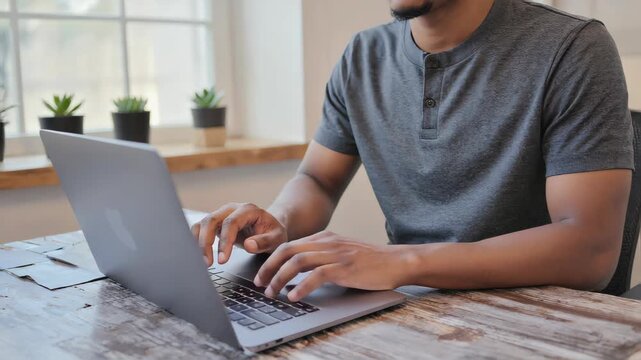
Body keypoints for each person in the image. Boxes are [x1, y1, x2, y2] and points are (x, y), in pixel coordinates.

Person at [192, 0, 633, 302]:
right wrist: (280, 221)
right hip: (407, 304)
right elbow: (318, 180)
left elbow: (589, 250)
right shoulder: (362, 55)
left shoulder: (573, 48)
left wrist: (401, 260)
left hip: (538, 319)